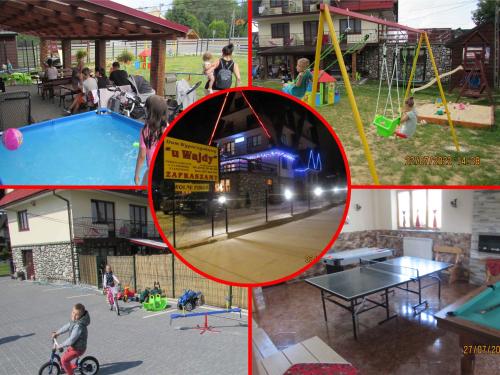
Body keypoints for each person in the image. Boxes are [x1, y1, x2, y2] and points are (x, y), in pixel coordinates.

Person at [135, 95, 168, 186]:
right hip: (166, 169)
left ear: (149, 112)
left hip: (153, 170)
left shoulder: (146, 130)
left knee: (142, 190)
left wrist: (136, 175)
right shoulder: (168, 127)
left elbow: (142, 155)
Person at [52, 303, 90, 375]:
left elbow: (71, 339)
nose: (74, 315)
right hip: (74, 346)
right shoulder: (75, 321)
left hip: (79, 349)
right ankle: (67, 366)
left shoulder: (79, 326)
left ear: (81, 316)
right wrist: (57, 333)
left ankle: (71, 373)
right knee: (65, 355)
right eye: (73, 312)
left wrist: (61, 345)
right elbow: (67, 326)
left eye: (77, 314)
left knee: (64, 360)